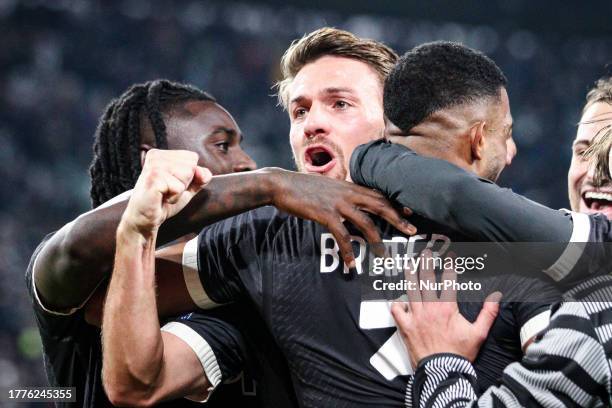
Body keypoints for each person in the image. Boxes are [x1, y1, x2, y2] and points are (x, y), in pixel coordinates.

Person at [102, 30, 555, 406]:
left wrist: (443, 371)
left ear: (393, 124)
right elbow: (135, 382)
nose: (311, 124)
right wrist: (136, 233)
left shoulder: (505, 233)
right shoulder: (263, 237)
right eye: (300, 111)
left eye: (339, 104)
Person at [28, 78, 407, 406]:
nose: (247, 162)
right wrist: (269, 184)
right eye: (223, 145)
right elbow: (74, 250)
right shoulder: (92, 275)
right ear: (153, 161)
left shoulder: (245, 278)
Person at [356, 69, 612, 405]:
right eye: (583, 152)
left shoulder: (594, 316)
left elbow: (457, 197)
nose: (595, 172)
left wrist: (440, 361)